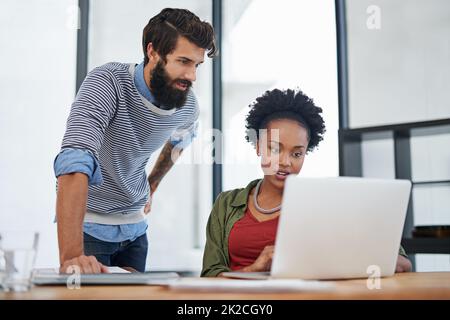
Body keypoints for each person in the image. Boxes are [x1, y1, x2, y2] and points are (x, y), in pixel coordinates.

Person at [54, 8, 216, 273]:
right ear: (152, 51)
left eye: (197, 65)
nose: (192, 76)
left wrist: (152, 183)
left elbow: (182, 139)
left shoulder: (188, 106)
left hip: (135, 229)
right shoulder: (108, 82)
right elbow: (76, 158)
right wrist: (71, 256)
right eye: (183, 61)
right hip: (90, 227)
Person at [201, 88, 412, 277]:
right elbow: (210, 275)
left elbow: (402, 263)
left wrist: (341, 256)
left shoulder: (324, 204)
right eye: (275, 149)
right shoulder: (227, 204)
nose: (285, 162)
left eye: (297, 153)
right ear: (258, 147)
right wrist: (254, 270)